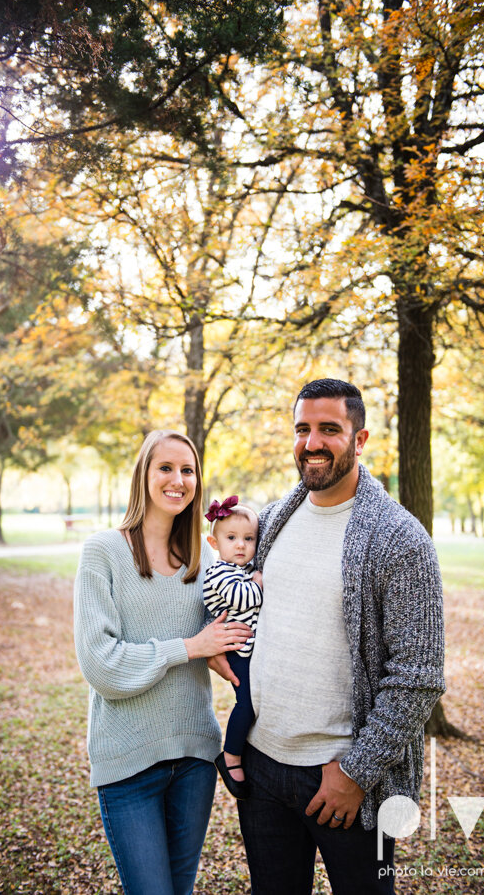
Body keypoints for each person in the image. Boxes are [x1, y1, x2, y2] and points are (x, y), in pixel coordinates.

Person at [215, 378, 446, 895]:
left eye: (329, 429)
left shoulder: (399, 539)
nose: (312, 442)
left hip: (345, 779)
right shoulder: (274, 519)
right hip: (262, 767)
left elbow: (419, 676)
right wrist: (215, 640)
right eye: (302, 429)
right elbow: (239, 597)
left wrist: (356, 773)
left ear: (359, 440)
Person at [73, 430, 252, 895]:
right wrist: (190, 647)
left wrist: (222, 651)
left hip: (194, 758)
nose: (178, 479)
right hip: (128, 763)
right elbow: (102, 666)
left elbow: (227, 633)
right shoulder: (103, 553)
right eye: (166, 468)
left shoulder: (203, 562)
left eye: (188, 470)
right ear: (144, 475)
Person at [203, 496, 263, 799]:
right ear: (215, 542)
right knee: (248, 702)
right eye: (232, 538)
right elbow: (243, 598)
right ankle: (231, 756)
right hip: (237, 651)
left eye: (248, 538)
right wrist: (261, 583)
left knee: (257, 699)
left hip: (249, 647)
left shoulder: (241, 568)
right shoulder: (220, 572)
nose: (241, 545)